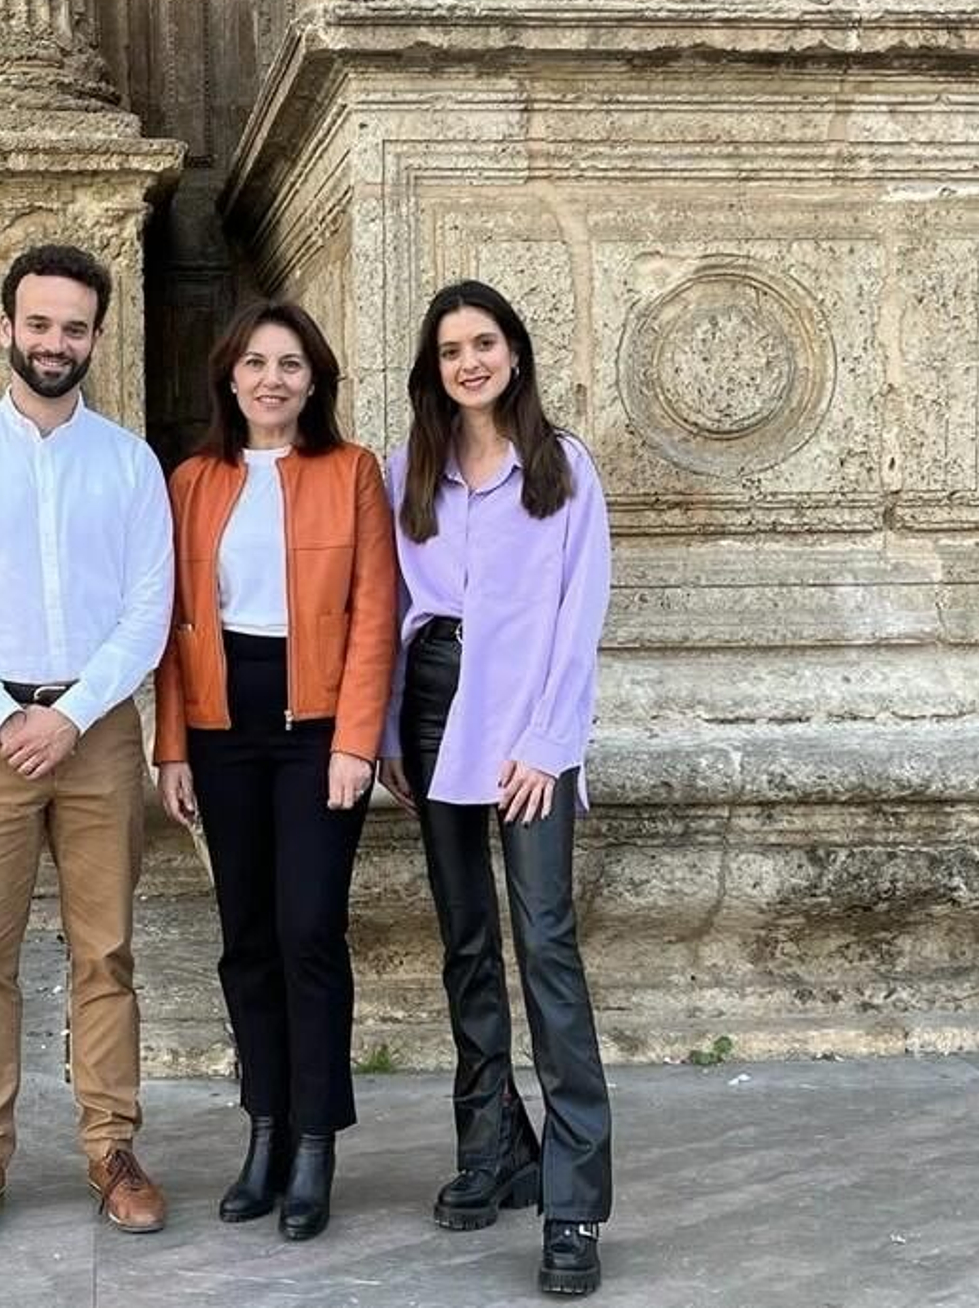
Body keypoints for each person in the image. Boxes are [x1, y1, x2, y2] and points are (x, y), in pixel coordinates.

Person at [0, 243, 174, 1245]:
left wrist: (70, 713)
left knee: (105, 949)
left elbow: (150, 608)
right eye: (40, 323)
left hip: (97, 732)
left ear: (96, 337)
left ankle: (111, 1145)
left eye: (74, 328)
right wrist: (4, 714)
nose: (56, 343)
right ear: (6, 327)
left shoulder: (129, 463)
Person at [377, 279, 613, 1297]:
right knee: (466, 942)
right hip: (431, 714)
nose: (468, 361)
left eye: (483, 343)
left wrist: (547, 744)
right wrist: (387, 730)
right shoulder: (408, 472)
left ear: (513, 352)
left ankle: (574, 1202)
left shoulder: (561, 470)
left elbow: (577, 616)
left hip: (525, 730)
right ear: (433, 372)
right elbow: (391, 610)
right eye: (449, 350)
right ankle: (492, 1144)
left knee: (545, 944)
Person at [154, 301, 396, 1241]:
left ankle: (315, 1141)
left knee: (308, 931)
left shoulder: (352, 473)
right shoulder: (192, 480)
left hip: (317, 723)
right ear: (229, 376)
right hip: (222, 721)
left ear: (314, 379)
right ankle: (263, 1126)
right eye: (254, 362)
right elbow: (172, 627)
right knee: (245, 935)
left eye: (290, 364)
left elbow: (376, 613)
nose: (271, 379)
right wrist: (172, 744)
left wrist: (356, 742)